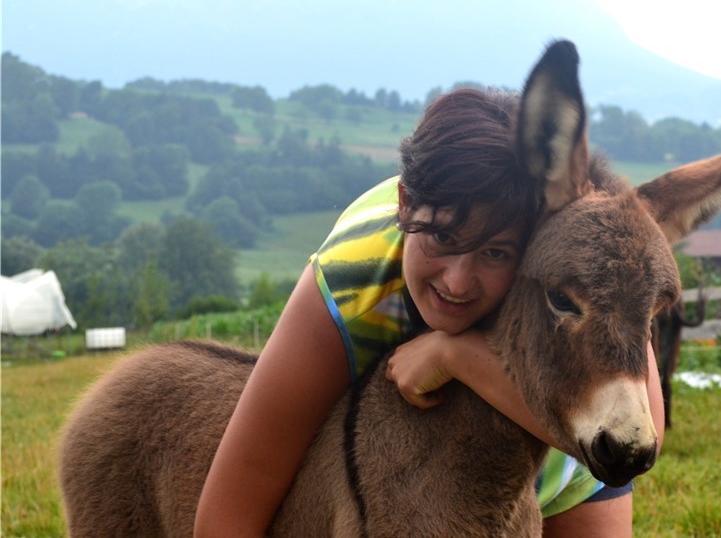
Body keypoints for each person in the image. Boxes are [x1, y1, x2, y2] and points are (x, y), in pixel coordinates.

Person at [194, 87, 665, 537]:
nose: (457, 282)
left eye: (496, 253)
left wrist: (451, 355)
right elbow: (224, 520)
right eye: (442, 237)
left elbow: (645, 438)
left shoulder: (568, 264)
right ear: (405, 204)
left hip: (578, 441)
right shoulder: (352, 279)